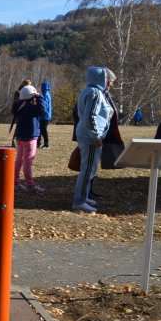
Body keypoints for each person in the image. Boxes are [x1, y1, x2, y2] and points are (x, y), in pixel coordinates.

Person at [73, 67, 115, 213]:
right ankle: (79, 201)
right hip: (90, 137)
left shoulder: (89, 91)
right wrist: (96, 136)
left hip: (86, 134)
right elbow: (90, 117)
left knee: (89, 169)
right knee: (87, 170)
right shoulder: (95, 93)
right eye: (110, 81)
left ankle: (83, 197)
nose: (111, 84)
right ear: (103, 79)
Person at [13, 85, 46, 193]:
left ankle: (15, 182)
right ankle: (30, 184)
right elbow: (43, 110)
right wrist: (40, 97)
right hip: (30, 137)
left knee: (19, 160)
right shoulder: (31, 108)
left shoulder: (18, 105)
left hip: (20, 136)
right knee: (28, 161)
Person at [9, 80, 33, 148]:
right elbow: (16, 102)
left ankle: (22, 141)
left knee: (22, 126)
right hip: (20, 110)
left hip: (25, 110)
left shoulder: (28, 91)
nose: (30, 86)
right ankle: (14, 141)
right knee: (19, 126)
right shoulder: (18, 92)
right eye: (29, 84)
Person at [38, 81, 52, 149]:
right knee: (40, 130)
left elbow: (44, 105)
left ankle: (46, 144)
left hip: (44, 115)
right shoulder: (46, 94)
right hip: (44, 115)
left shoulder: (45, 94)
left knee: (43, 130)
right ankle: (38, 143)